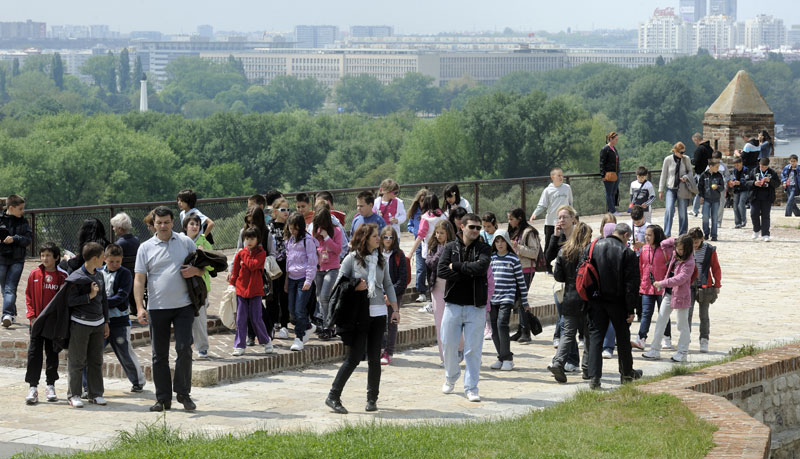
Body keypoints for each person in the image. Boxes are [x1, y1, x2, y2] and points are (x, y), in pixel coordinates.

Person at [325, 224, 400, 414]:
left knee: (375, 358)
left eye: (379, 236)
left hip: (379, 314)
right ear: (365, 238)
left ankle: (372, 399)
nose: (379, 239)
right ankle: (333, 396)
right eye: (375, 236)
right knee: (354, 358)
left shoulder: (381, 259)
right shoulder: (351, 259)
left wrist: (395, 310)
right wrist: (355, 286)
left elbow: (388, 284)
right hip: (359, 316)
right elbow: (338, 286)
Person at [134, 206, 202, 412]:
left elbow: (203, 268)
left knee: (184, 348)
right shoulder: (145, 248)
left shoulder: (186, 242)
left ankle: (183, 393)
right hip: (157, 308)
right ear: (153, 224)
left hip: (184, 306)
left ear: (173, 222)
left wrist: (195, 270)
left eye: (166, 222)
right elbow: (139, 279)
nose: (163, 226)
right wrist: (139, 307)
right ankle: (163, 399)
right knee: (159, 355)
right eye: (159, 222)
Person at [437, 213, 491, 402]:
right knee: (449, 345)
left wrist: (457, 267)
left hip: (475, 307)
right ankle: (451, 377)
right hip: (452, 304)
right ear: (462, 227)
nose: (476, 230)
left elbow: (481, 269)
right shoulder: (450, 247)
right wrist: (467, 271)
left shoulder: (484, 248)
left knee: (473, 349)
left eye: (478, 227)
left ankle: (471, 388)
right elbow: (441, 270)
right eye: (472, 227)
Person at [585, 223, 642, 389]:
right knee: (623, 338)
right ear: (625, 235)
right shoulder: (627, 253)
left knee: (596, 338)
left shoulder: (592, 247)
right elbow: (632, 285)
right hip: (618, 302)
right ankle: (626, 374)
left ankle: (594, 378)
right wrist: (631, 309)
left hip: (596, 300)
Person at [66, 242, 110, 408]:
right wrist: (89, 296)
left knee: (96, 360)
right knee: (76, 361)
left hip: (98, 324)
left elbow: (104, 300)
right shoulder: (76, 277)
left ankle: (96, 394)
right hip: (80, 324)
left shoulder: (100, 275)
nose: (104, 259)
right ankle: (74, 395)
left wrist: (106, 322)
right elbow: (70, 301)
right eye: (102, 256)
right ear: (94, 258)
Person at [548, 222, 592, 383]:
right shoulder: (589, 252)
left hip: (570, 297)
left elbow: (558, 277)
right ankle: (587, 369)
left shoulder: (564, 251)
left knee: (567, 334)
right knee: (588, 334)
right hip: (587, 298)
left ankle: (558, 362)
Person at [97, 244, 145, 392]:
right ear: (104, 259)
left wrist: (101, 303)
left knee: (125, 352)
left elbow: (121, 296)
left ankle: (137, 381)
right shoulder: (98, 273)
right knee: (94, 353)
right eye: (111, 261)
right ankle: (88, 385)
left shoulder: (125, 274)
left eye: (118, 261)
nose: (115, 264)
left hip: (119, 321)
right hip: (101, 320)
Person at [24, 242, 68, 405]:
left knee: (52, 353)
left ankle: (50, 385)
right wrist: (31, 316)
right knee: (34, 353)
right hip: (36, 322)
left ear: (56, 257)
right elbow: (28, 296)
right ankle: (33, 387)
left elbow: (64, 301)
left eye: (48, 255)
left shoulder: (62, 276)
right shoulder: (34, 274)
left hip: (53, 324)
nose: (45, 258)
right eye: (42, 255)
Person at [643, 235, 696, 363]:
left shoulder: (689, 262)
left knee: (682, 325)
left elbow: (680, 279)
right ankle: (655, 350)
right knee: (661, 321)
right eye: (677, 248)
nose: (678, 251)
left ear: (688, 249)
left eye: (682, 249)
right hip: (668, 294)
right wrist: (679, 239)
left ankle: (682, 352)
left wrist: (662, 283)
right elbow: (663, 243)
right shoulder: (674, 254)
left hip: (681, 296)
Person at [488, 229, 529, 372]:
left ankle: (508, 359)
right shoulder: (491, 258)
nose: (500, 244)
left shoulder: (513, 259)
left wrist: (525, 301)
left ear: (507, 242)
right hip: (492, 299)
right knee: (493, 329)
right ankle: (501, 356)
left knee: (501, 325)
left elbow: (521, 282)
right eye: (497, 241)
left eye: (502, 241)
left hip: (507, 298)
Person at [544, 205, 580, 364]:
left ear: (573, 218)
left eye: (565, 217)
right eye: (559, 218)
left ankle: (571, 360)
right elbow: (547, 259)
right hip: (560, 287)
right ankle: (568, 360)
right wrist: (554, 237)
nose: (562, 220)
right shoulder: (559, 238)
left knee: (570, 324)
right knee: (565, 323)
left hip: (576, 287)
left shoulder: (579, 237)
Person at [229, 227, 273, 356]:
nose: (249, 241)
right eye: (247, 238)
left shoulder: (261, 253)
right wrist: (232, 284)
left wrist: (244, 255)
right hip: (241, 290)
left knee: (256, 318)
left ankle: (266, 341)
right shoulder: (240, 254)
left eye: (252, 238)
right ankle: (239, 345)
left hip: (255, 291)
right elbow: (235, 271)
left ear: (258, 239)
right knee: (241, 319)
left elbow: (253, 265)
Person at [632, 225, 672, 351]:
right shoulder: (644, 249)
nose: (647, 237)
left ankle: (667, 338)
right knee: (646, 314)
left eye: (650, 235)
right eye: (646, 235)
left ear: (657, 236)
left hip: (662, 287)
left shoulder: (666, 250)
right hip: (647, 287)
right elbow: (641, 267)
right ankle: (641, 338)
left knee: (663, 314)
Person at [284, 212, 318, 351]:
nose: (293, 231)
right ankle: (308, 326)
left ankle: (299, 337)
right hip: (292, 278)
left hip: (304, 278)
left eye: (295, 228)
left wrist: (309, 280)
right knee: (291, 309)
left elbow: (312, 262)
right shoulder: (289, 241)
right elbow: (288, 261)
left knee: (299, 309)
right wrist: (286, 280)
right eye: (291, 228)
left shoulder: (307, 241)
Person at [507, 208, 542, 344]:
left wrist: (518, 247)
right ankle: (521, 330)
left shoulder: (529, 232)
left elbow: (534, 252)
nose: (509, 222)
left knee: (522, 299)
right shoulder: (514, 231)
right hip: (515, 268)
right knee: (517, 300)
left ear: (519, 218)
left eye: (511, 219)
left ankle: (526, 331)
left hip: (526, 269)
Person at [426, 220, 457, 363]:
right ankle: (444, 357)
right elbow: (431, 263)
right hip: (437, 287)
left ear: (448, 233)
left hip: (452, 287)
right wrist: (440, 251)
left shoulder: (456, 247)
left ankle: (461, 350)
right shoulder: (433, 247)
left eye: (442, 233)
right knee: (439, 323)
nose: (438, 235)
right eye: (437, 232)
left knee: (455, 322)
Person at [530, 168, 574, 270]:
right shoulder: (547, 190)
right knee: (550, 245)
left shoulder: (567, 188)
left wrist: (573, 217)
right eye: (558, 175)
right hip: (551, 223)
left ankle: (565, 265)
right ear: (552, 177)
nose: (561, 177)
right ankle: (547, 266)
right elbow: (542, 205)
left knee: (566, 243)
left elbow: (570, 204)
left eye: (562, 175)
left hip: (565, 222)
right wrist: (535, 214)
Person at [183, 214, 214, 359]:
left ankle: (202, 348)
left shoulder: (204, 242)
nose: (195, 227)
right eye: (192, 224)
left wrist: (203, 256)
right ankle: (186, 347)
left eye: (197, 224)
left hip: (201, 288)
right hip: (183, 286)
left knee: (200, 318)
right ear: (185, 227)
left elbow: (213, 267)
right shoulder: (179, 242)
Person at [687, 228, 721, 353]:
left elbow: (715, 267)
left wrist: (717, 284)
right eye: (692, 243)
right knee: (687, 314)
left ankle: (704, 339)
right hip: (689, 285)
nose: (694, 245)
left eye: (696, 242)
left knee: (704, 315)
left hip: (704, 286)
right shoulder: (686, 248)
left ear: (702, 239)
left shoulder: (710, 250)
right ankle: (686, 339)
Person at [409, 193, 446, 309]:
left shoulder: (425, 218)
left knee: (431, 278)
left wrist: (410, 252)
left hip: (429, 251)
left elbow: (420, 236)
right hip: (444, 250)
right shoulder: (444, 215)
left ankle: (433, 302)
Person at [0, 195, 32, 328]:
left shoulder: (24, 222)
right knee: (4, 289)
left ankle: (6, 315)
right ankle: (11, 313)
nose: (23, 211)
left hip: (17, 260)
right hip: (1, 258)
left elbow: (28, 240)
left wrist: (15, 239)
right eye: (21, 209)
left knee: (10, 288)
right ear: (11, 208)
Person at [313, 206, 343, 340]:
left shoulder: (336, 231)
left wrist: (326, 238)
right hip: (319, 268)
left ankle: (328, 325)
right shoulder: (316, 231)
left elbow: (338, 250)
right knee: (320, 297)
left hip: (332, 267)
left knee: (325, 296)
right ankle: (327, 323)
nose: (320, 226)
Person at [380, 225, 407, 365]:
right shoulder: (376, 254)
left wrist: (391, 295)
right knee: (379, 323)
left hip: (395, 294)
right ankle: (379, 349)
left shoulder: (399, 255)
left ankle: (388, 351)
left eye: (391, 237)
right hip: (379, 293)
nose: (388, 240)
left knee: (392, 322)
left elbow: (402, 279)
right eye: (386, 237)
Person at [658, 142, 695, 237]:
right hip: (671, 188)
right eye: (681, 152)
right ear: (675, 151)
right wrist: (660, 190)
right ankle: (666, 233)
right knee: (669, 209)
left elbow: (690, 171)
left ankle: (682, 234)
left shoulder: (686, 159)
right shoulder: (668, 159)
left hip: (682, 188)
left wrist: (686, 177)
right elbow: (664, 174)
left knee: (682, 212)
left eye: (684, 152)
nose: (682, 154)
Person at [267, 198, 291, 339]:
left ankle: (284, 325)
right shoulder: (270, 226)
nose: (286, 212)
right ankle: (271, 323)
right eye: (283, 210)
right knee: (272, 295)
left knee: (284, 294)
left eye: (288, 209)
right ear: (275, 211)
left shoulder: (290, 226)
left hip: (286, 264)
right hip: (273, 264)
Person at [110, 212, 140, 316]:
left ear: (119, 228)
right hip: (136, 275)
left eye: (114, 227)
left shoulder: (118, 245)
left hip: (122, 278)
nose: (113, 229)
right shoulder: (136, 241)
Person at [744, 157, 780, 242]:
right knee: (753, 214)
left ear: (767, 166)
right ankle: (756, 230)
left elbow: (777, 184)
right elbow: (746, 182)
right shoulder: (753, 171)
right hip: (755, 197)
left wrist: (770, 180)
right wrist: (754, 183)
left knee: (765, 216)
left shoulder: (772, 173)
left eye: (764, 166)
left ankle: (765, 234)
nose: (762, 168)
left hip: (767, 198)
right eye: (761, 166)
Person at [406, 188, 429, 303]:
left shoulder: (431, 213)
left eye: (425, 200)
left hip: (430, 242)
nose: (422, 203)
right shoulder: (415, 212)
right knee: (420, 268)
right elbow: (409, 225)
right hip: (419, 242)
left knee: (431, 268)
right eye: (421, 200)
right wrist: (414, 230)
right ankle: (422, 292)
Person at [698, 159, 725, 241]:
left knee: (715, 218)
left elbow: (722, 187)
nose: (718, 168)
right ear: (710, 166)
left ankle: (714, 235)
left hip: (716, 200)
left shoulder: (719, 175)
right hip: (706, 199)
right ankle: (706, 233)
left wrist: (718, 187)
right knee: (705, 217)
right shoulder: (704, 175)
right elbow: (700, 186)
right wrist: (701, 196)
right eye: (716, 167)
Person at [690, 133, 714, 218]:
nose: (695, 143)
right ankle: (697, 209)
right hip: (709, 172)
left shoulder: (700, 149)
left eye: (694, 141)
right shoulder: (710, 148)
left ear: (696, 139)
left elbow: (696, 161)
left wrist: (691, 161)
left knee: (700, 190)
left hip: (700, 172)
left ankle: (695, 209)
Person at [599, 131, 621, 215]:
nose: (616, 141)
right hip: (609, 174)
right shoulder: (605, 149)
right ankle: (612, 210)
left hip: (616, 173)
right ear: (610, 139)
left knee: (613, 192)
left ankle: (612, 209)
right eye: (615, 139)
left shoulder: (614, 149)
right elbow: (602, 162)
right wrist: (603, 175)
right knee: (609, 193)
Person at [729, 157, 749, 228]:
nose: (736, 167)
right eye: (735, 165)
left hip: (744, 189)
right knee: (735, 206)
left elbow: (747, 180)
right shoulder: (734, 170)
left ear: (741, 163)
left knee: (741, 204)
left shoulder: (746, 170)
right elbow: (733, 178)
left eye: (738, 165)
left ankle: (743, 220)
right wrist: (732, 182)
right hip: (736, 189)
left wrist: (740, 182)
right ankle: (738, 222)